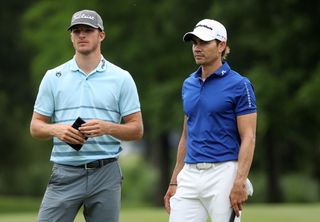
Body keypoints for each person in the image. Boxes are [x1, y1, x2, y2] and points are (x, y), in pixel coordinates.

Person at [30, 9, 143, 222]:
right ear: (71, 37)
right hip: (65, 173)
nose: (81, 35)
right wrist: (56, 129)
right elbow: (36, 127)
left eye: (88, 30)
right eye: (76, 31)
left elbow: (137, 129)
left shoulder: (122, 78)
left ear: (101, 35)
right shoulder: (53, 77)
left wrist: (107, 127)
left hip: (106, 173)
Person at [163, 19, 257, 222]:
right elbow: (186, 135)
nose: (197, 48)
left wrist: (239, 181)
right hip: (189, 174)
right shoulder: (189, 84)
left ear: (221, 45)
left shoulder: (240, 85)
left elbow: (249, 137)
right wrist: (174, 182)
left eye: (204, 43)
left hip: (224, 173)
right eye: (194, 43)